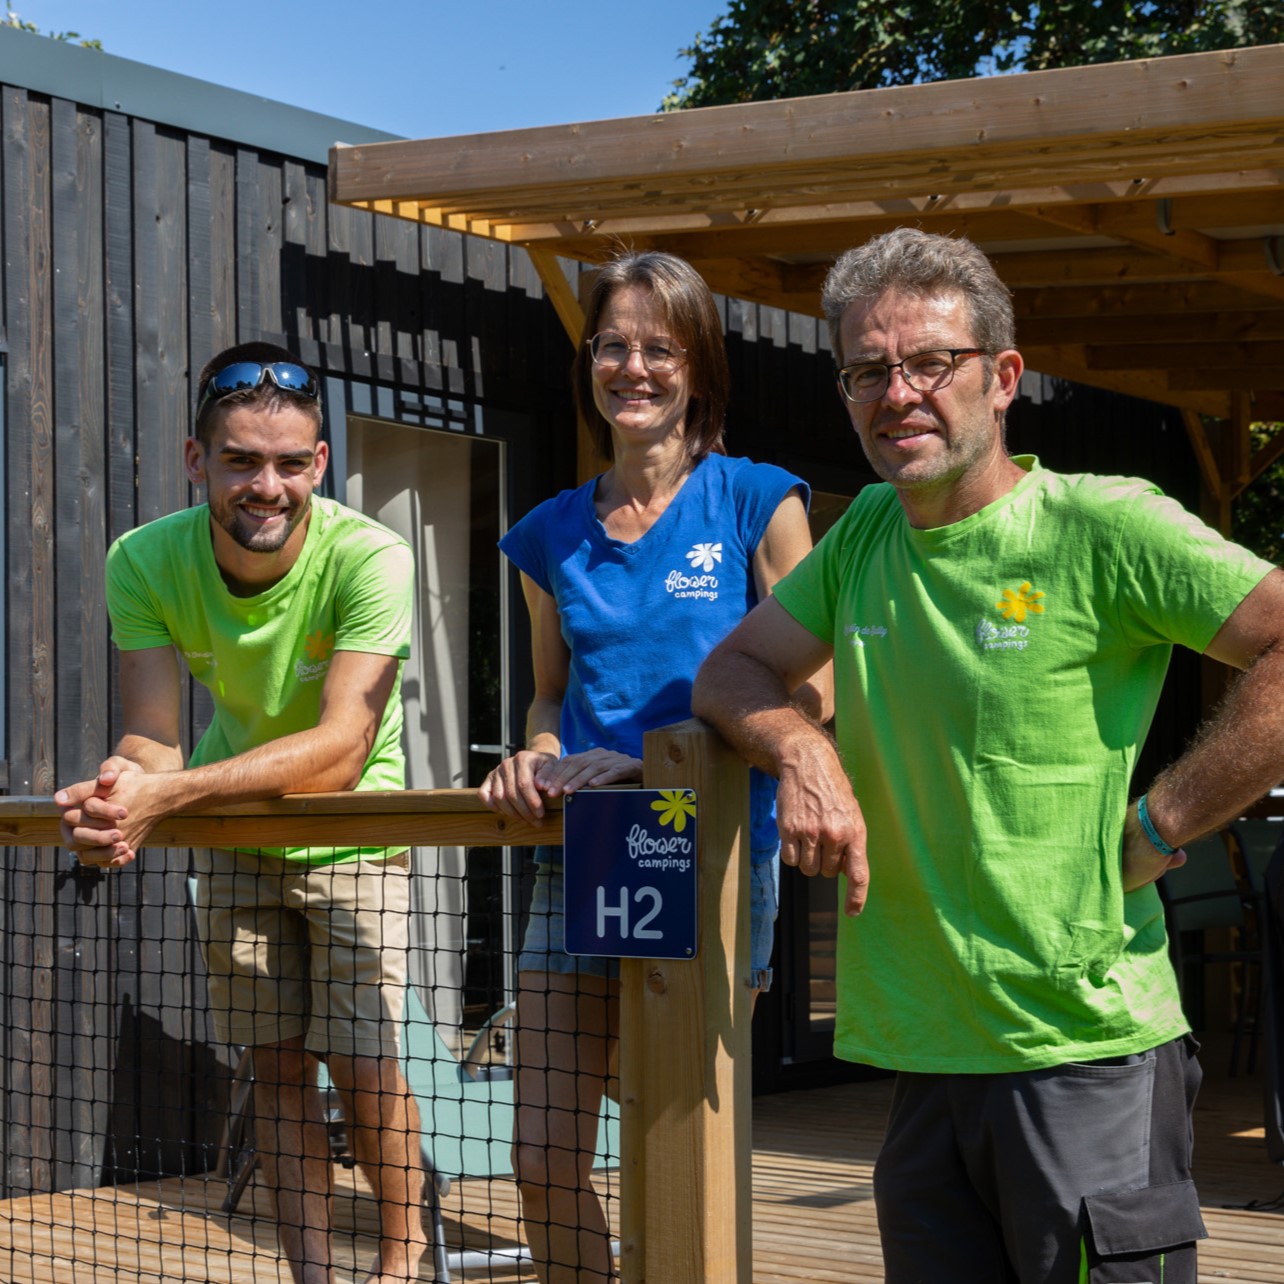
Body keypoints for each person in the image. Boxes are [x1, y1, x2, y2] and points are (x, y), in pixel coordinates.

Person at [691, 226, 1284, 1283]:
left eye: (930, 363)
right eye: (868, 370)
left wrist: (1166, 821)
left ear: (1003, 377)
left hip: (1083, 1051)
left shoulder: (1100, 526)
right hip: (922, 1056)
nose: (897, 393)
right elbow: (732, 673)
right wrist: (803, 753)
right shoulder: (867, 532)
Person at [477, 250, 825, 1282]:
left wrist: (657, 769)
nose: (632, 367)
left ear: (699, 366)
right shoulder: (548, 534)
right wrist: (537, 756)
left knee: (675, 1140)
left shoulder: (760, 503)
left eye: (657, 348)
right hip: (580, 852)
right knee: (541, 1156)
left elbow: (817, 695)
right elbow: (547, 695)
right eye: (612, 346)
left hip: (713, 849)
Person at [55, 342, 426, 1284]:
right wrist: (117, 789)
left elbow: (343, 749)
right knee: (274, 1063)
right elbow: (152, 737)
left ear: (320, 463)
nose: (268, 486)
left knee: (367, 1065)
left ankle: (402, 1262)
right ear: (196, 461)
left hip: (358, 830)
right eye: (241, 462)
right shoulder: (141, 559)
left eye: (291, 462)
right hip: (229, 835)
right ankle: (309, 1273)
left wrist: (164, 797)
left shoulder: (373, 557)